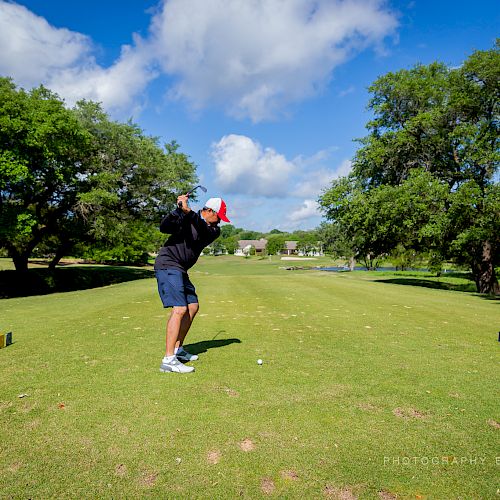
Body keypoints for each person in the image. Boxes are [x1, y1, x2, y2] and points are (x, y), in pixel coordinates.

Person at [154, 194, 230, 373]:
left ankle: (178, 350)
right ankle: (168, 359)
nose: (219, 221)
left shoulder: (212, 230)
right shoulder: (187, 218)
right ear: (209, 211)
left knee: (193, 306)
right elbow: (164, 228)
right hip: (168, 264)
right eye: (219, 216)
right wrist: (177, 210)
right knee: (180, 309)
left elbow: (200, 227)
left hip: (180, 268)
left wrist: (187, 211)